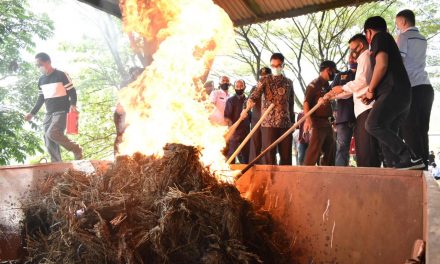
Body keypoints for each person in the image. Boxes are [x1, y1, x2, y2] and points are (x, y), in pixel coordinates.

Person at [359, 16, 424, 169]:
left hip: (394, 91)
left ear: (368, 32)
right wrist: (373, 95)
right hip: (401, 94)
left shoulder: (379, 37)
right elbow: (389, 70)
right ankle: (396, 166)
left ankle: (409, 157)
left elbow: (381, 65)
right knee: (386, 132)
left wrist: (370, 90)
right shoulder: (388, 41)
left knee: (373, 124)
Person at [323, 34, 381, 168]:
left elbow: (362, 81)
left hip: (366, 107)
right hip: (355, 113)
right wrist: (331, 95)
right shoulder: (344, 73)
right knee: (359, 148)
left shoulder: (365, 56)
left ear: (360, 45)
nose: (351, 54)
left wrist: (342, 88)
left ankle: (370, 177)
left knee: (367, 147)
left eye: (351, 49)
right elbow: (347, 91)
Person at [25, 52, 82, 162]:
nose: (38, 67)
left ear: (48, 62)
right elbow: (41, 99)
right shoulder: (41, 80)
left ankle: (76, 148)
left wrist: (73, 105)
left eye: (40, 64)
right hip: (49, 113)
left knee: (53, 133)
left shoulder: (61, 75)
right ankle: (57, 164)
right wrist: (31, 113)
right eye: (37, 66)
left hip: (62, 111)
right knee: (47, 138)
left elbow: (72, 92)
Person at [396, 10, 434, 169]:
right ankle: (424, 164)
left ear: (403, 21)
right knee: (422, 129)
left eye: (397, 23)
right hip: (426, 87)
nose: (397, 26)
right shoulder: (422, 38)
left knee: (409, 127)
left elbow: (399, 62)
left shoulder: (404, 37)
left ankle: (416, 163)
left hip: (412, 87)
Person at [245, 53, 294, 165]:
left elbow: (290, 104)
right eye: (273, 66)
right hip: (268, 124)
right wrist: (249, 103)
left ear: (283, 66)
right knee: (268, 156)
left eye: (278, 65)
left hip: (285, 123)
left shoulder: (289, 82)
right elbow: (254, 95)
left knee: (286, 156)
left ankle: (285, 180)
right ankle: (269, 180)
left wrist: (292, 122)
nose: (275, 68)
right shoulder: (264, 80)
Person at [302, 61, 338, 166]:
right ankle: (306, 174)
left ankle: (328, 173)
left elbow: (328, 107)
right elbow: (306, 102)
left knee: (330, 149)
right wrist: (307, 119)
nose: (334, 74)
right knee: (314, 150)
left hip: (327, 123)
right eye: (334, 71)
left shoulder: (327, 85)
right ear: (328, 70)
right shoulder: (314, 84)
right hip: (317, 122)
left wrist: (332, 121)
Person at [330, 56, 356, 166]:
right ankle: (340, 174)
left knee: (365, 148)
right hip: (343, 116)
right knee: (341, 147)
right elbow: (333, 91)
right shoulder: (340, 75)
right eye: (349, 58)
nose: (351, 60)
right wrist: (347, 90)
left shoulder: (365, 73)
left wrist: (342, 89)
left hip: (362, 115)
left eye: (354, 58)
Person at [114, 66, 144, 155]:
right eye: (135, 72)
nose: (137, 74)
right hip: (122, 113)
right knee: (121, 134)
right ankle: (117, 155)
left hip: (134, 112)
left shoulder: (143, 83)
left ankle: (136, 153)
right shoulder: (126, 83)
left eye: (139, 72)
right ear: (132, 73)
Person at [248, 67, 271, 163]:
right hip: (256, 119)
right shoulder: (255, 88)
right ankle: (252, 166)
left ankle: (266, 167)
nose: (264, 78)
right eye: (262, 76)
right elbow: (248, 101)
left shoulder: (274, 89)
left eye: (266, 76)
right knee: (255, 144)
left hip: (269, 121)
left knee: (267, 145)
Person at [224, 79, 250, 164]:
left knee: (246, 156)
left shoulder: (248, 101)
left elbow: (250, 117)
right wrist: (231, 130)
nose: (239, 88)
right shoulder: (230, 100)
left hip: (245, 132)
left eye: (241, 86)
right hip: (233, 133)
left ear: (244, 87)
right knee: (231, 156)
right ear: (234, 88)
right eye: (237, 86)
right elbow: (227, 117)